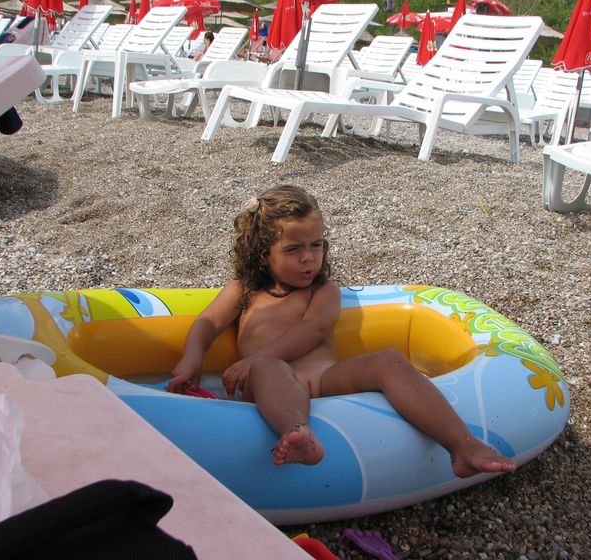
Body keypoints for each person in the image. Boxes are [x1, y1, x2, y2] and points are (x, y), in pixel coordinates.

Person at [167, 184, 517, 477]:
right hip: (272, 382)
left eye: (316, 245)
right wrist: (192, 358)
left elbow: (314, 329)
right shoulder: (244, 289)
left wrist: (254, 358)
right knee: (266, 366)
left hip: (324, 379)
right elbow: (208, 322)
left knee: (389, 360)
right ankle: (296, 432)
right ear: (263, 255)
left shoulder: (323, 291)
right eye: (293, 249)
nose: (308, 258)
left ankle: (462, 446)